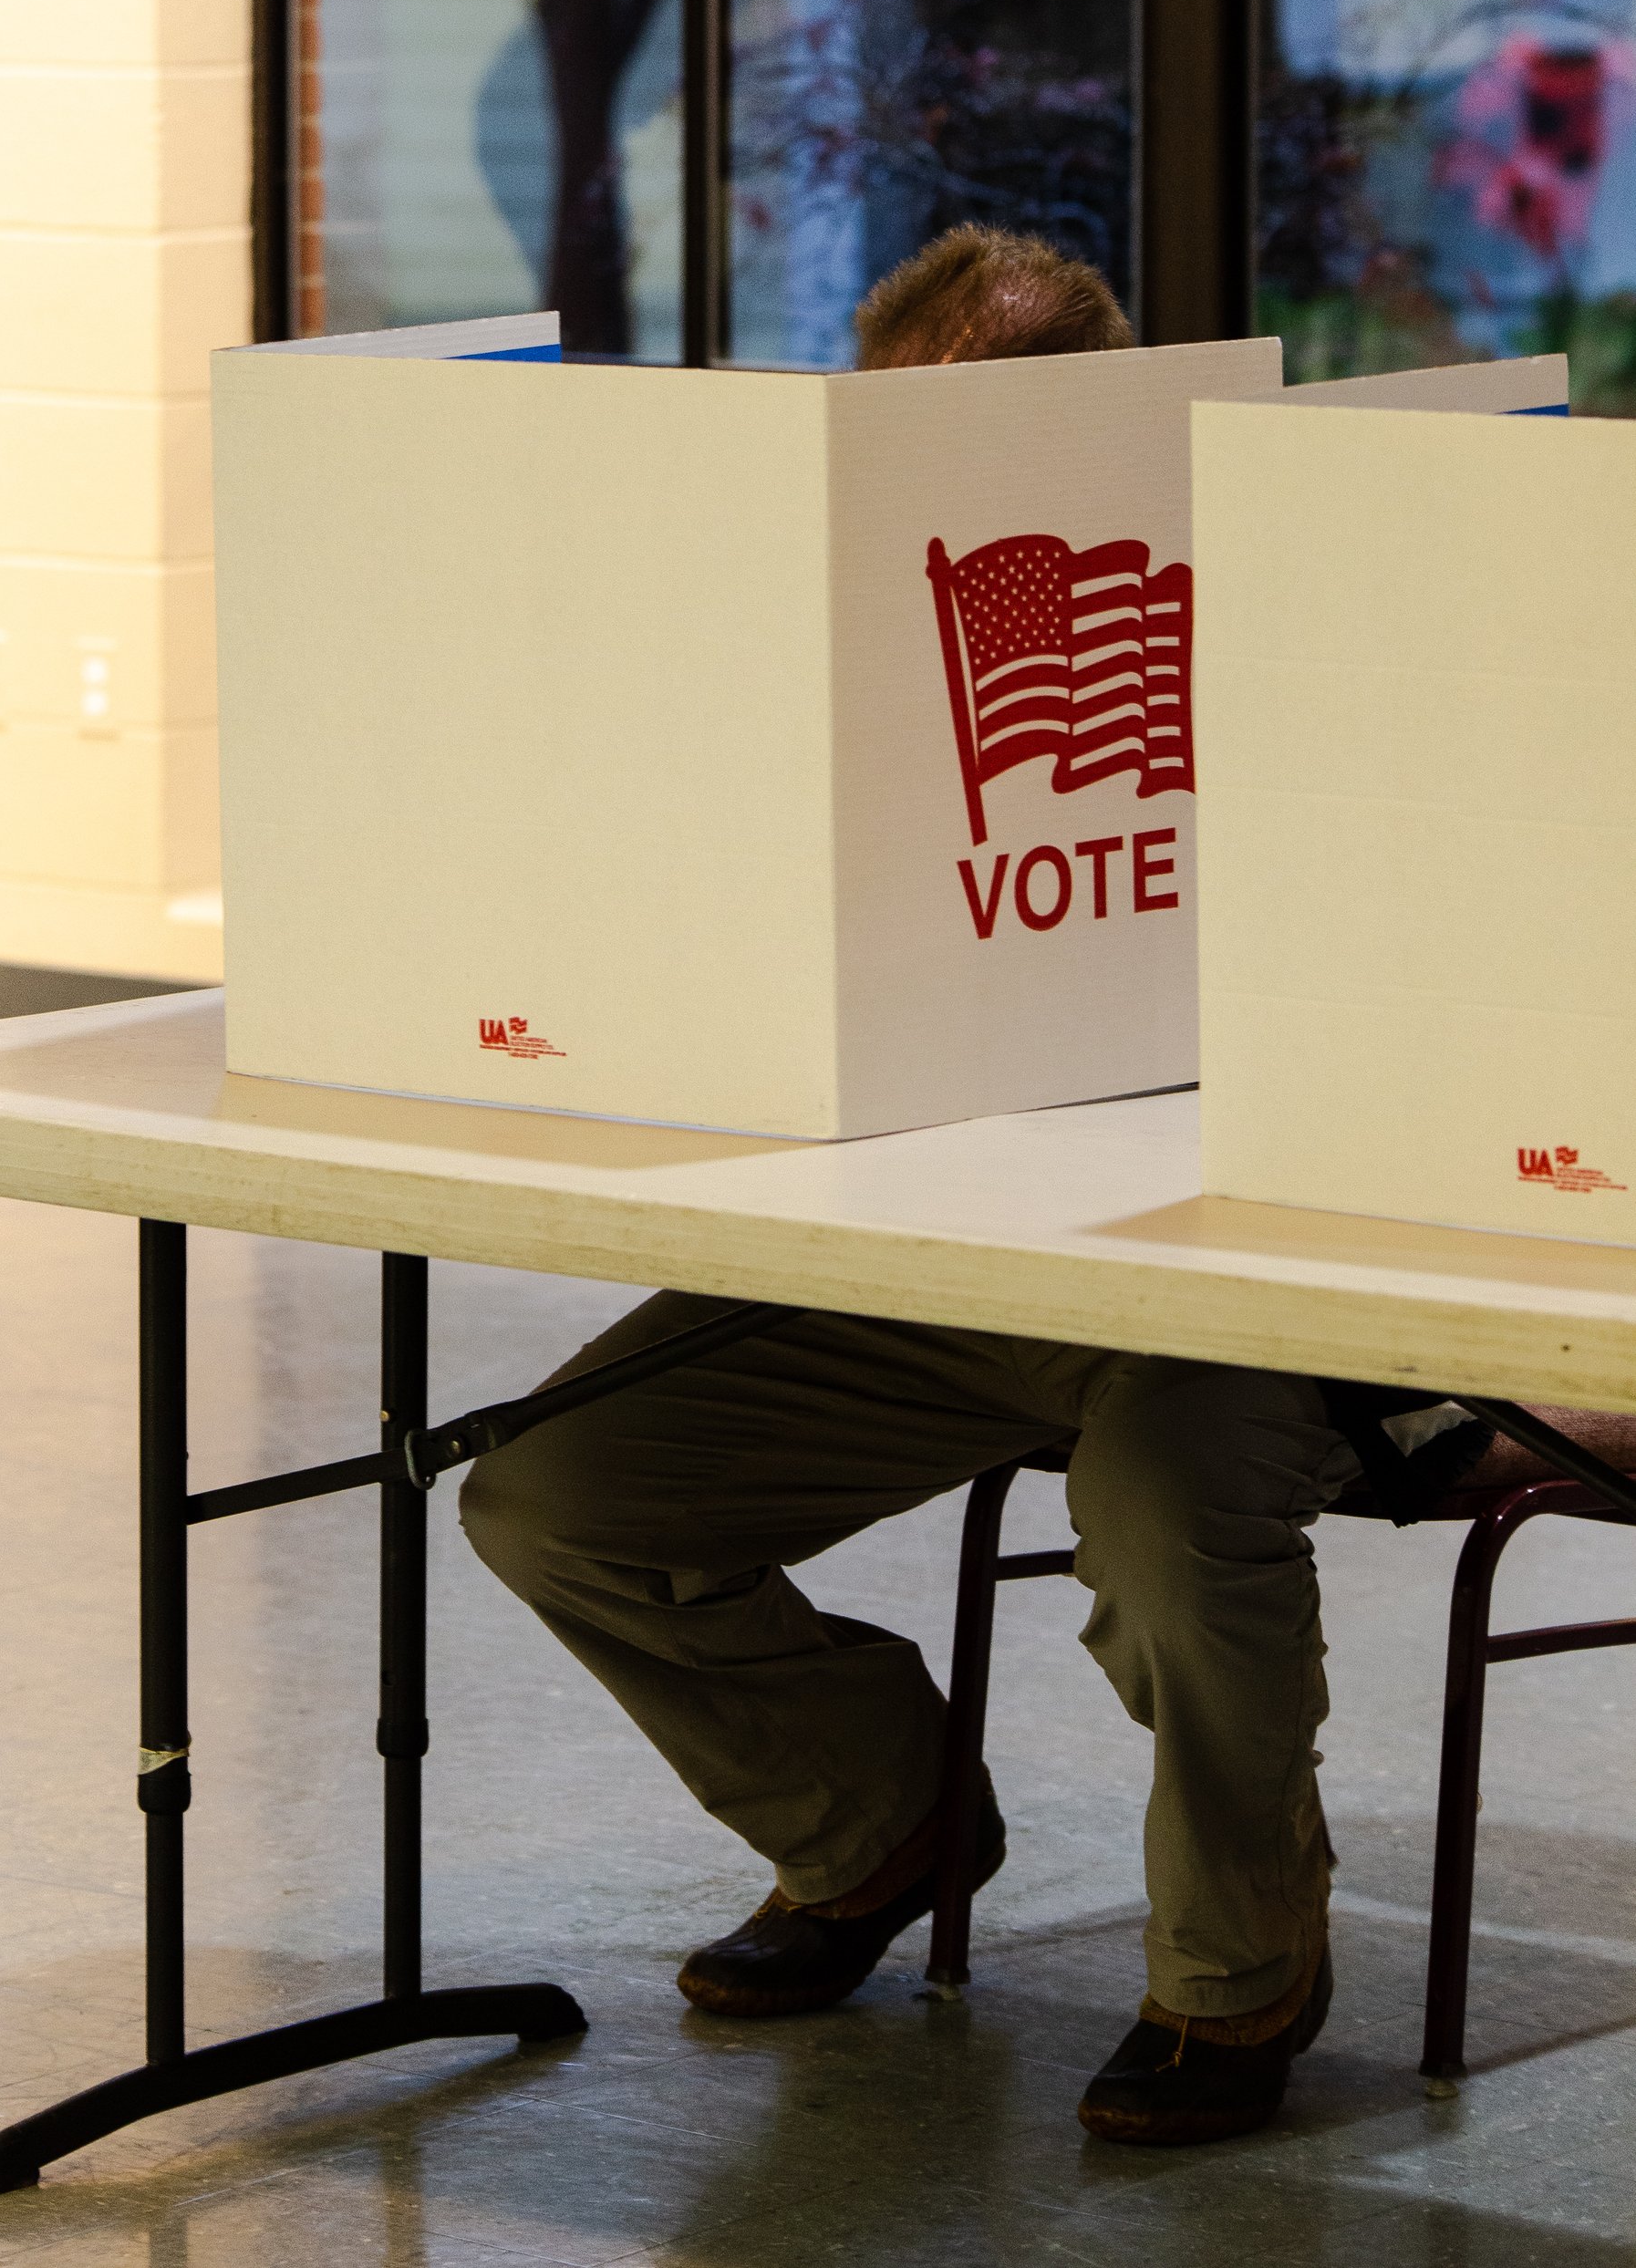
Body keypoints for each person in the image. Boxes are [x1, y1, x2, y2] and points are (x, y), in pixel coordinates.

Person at [461, 224, 1349, 2148]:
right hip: (917, 1258)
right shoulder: (816, 641)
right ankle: (879, 1823)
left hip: (1209, 1269)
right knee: (554, 1496)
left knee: (1167, 1525)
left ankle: (1238, 1964)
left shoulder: (1274, 603)